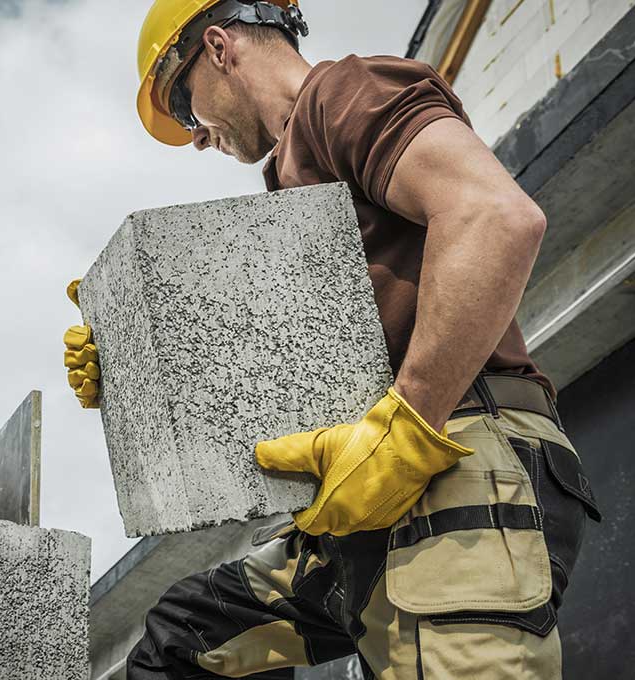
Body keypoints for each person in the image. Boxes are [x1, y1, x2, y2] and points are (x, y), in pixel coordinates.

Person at [63, 1, 602, 677]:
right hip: (362, 503)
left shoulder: (343, 94)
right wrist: (133, 375)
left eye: (184, 107)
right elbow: (274, 385)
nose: (196, 135)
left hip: (454, 459)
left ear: (220, 46)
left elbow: (493, 215)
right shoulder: (284, 189)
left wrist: (405, 431)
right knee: (189, 637)